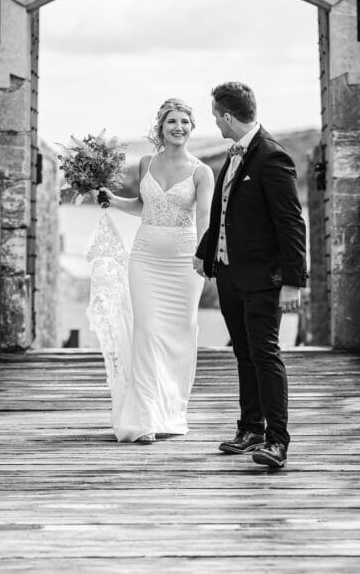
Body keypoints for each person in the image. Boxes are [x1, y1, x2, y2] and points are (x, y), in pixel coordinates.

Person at [193, 82, 307, 470]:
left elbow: (291, 223)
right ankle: (250, 429)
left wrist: (293, 280)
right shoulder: (235, 154)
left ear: (226, 116)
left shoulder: (272, 157)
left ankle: (277, 440)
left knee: (265, 354)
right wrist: (206, 254)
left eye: (214, 115)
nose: (214, 123)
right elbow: (225, 213)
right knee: (243, 354)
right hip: (230, 275)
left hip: (263, 279)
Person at [95, 98, 215, 443]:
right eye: (171, 122)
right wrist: (111, 200)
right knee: (146, 332)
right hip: (145, 259)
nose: (179, 128)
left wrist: (204, 256)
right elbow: (142, 207)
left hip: (183, 263)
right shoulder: (146, 162)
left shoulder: (201, 171)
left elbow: (205, 218)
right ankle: (144, 418)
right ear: (160, 128)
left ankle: (171, 411)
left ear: (192, 128)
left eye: (185, 123)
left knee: (178, 336)